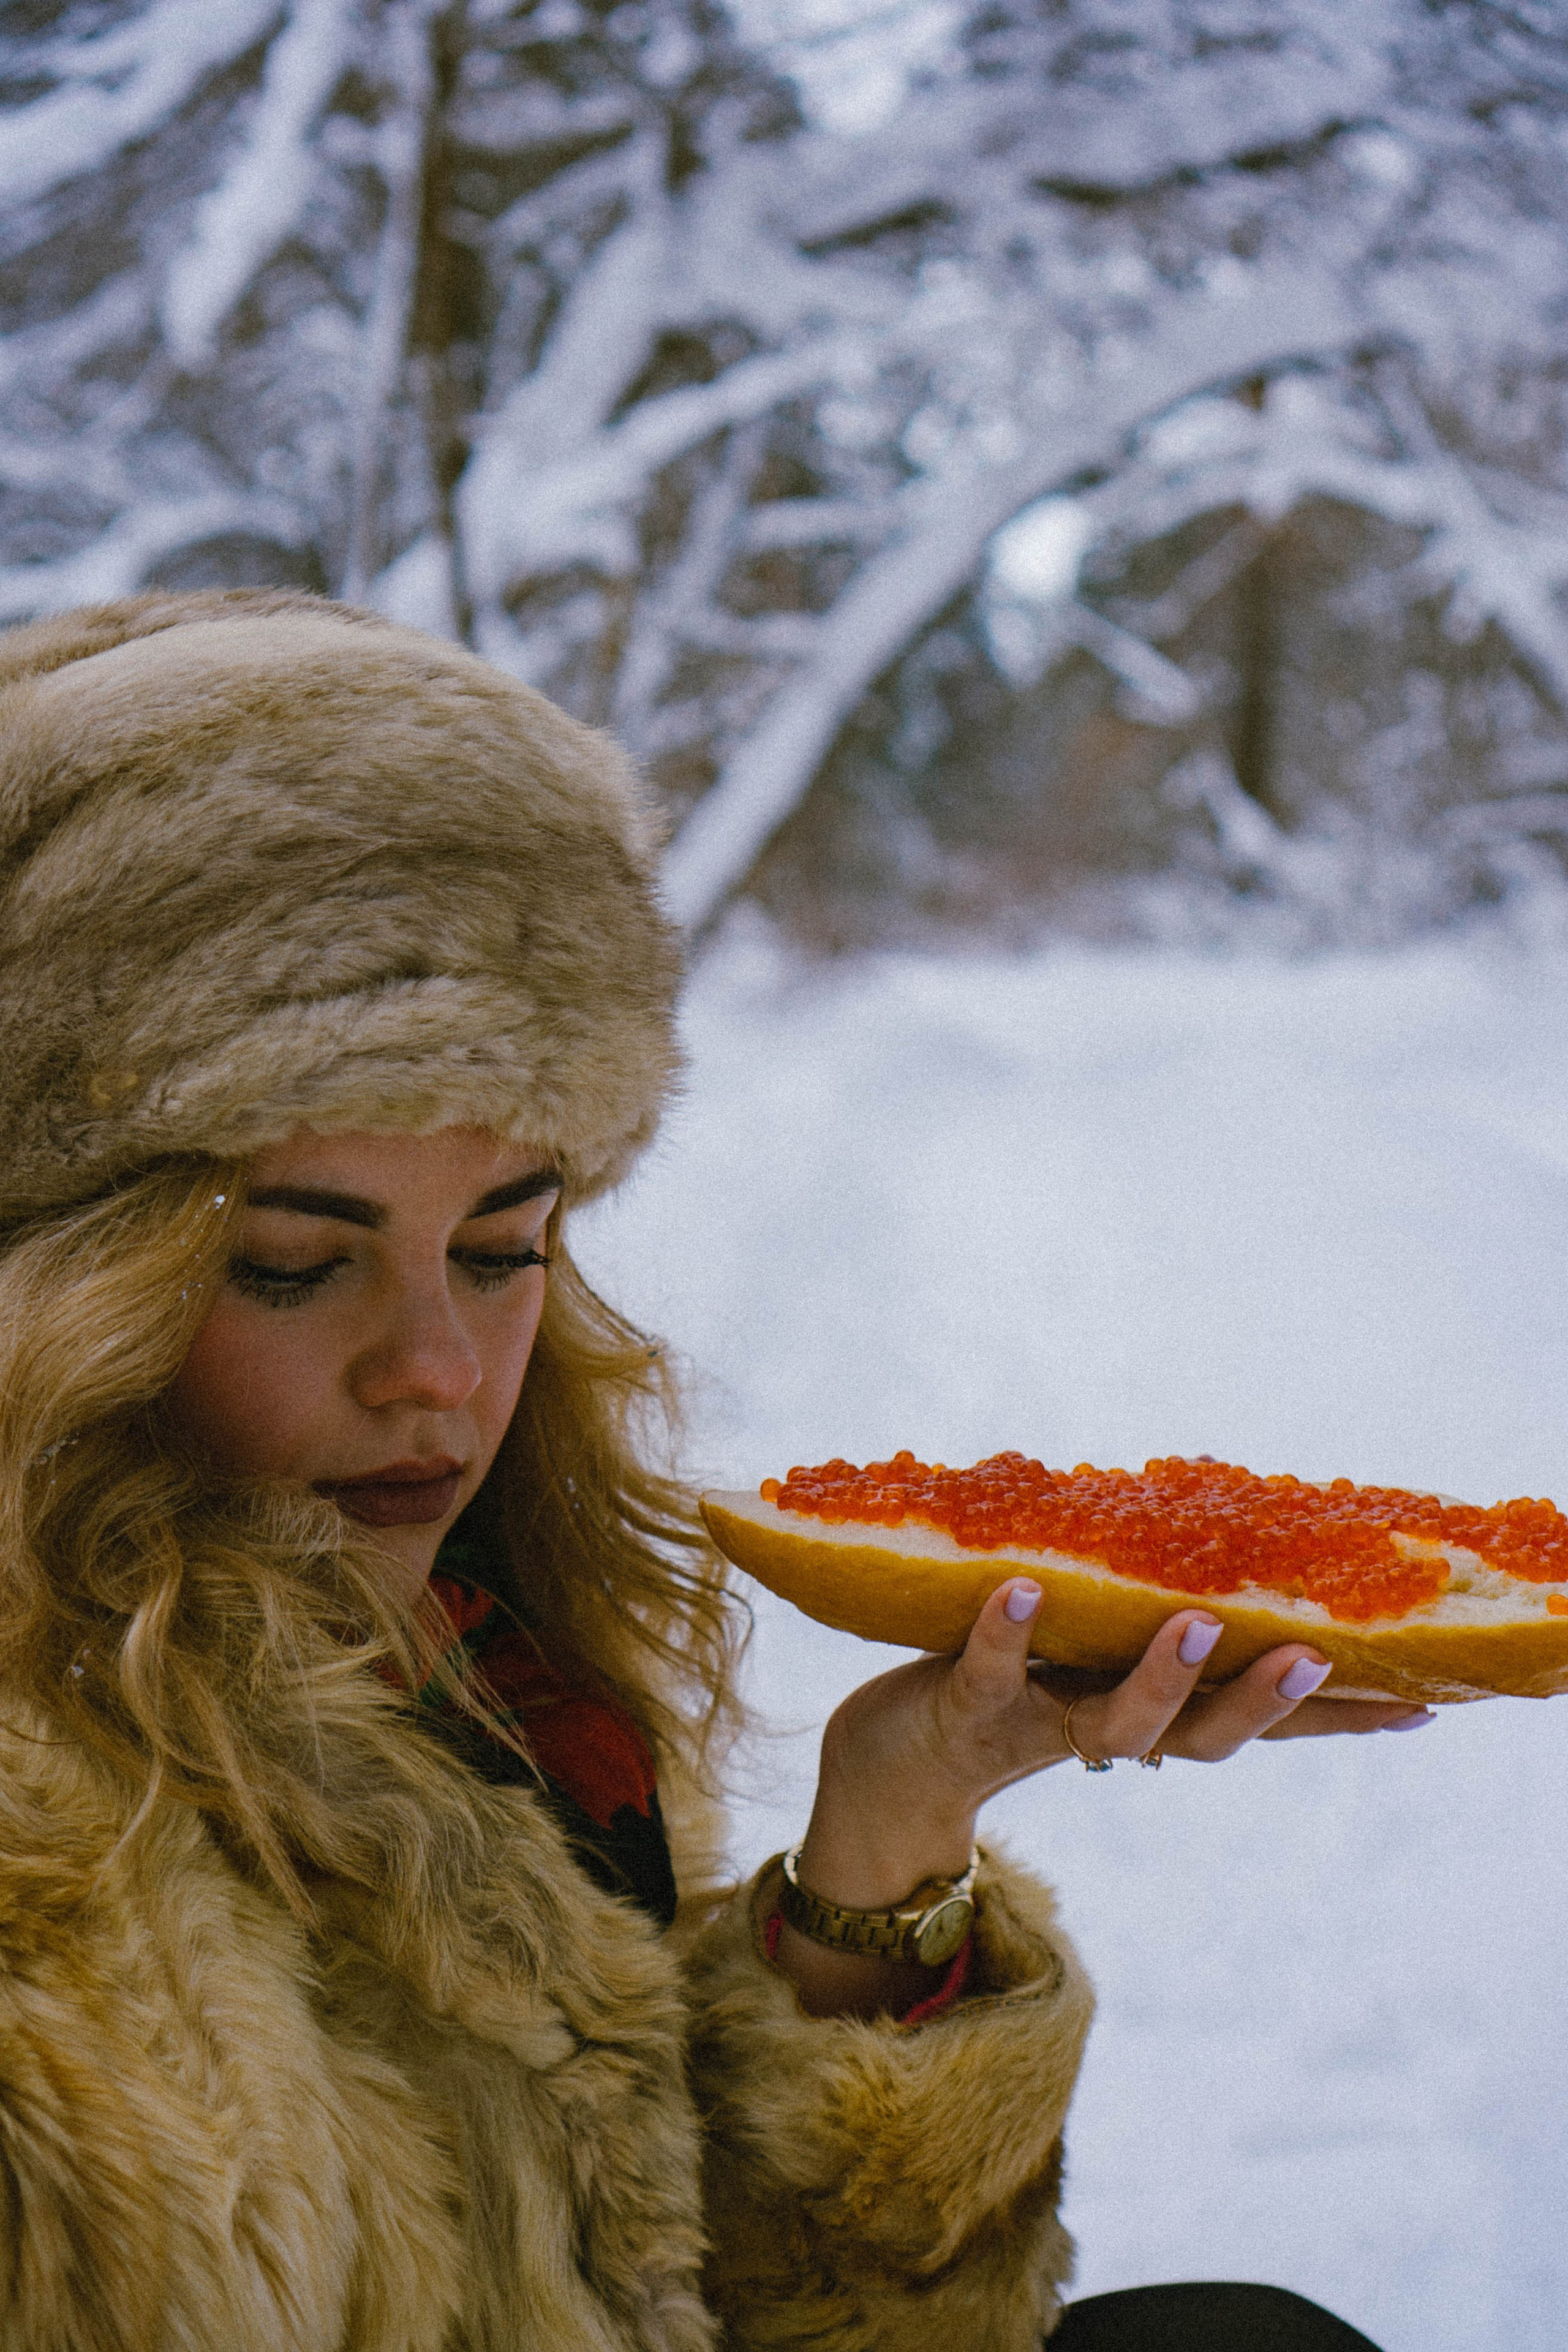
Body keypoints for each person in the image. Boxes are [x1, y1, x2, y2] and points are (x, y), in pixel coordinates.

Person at [0, 589, 1412, 2351]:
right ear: (54, 1282)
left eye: (504, 1249)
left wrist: (891, 1848)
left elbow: (668, 2298)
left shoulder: (486, 1672)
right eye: (293, 1261)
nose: (439, 1369)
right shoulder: (46, 1913)